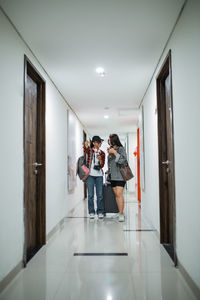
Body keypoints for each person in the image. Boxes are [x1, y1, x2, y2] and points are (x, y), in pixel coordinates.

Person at [84, 136, 105, 219]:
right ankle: (91, 212)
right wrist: (86, 145)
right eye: (98, 142)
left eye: (100, 142)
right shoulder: (90, 151)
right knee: (90, 195)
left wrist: (100, 160)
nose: (100, 144)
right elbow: (85, 150)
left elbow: (102, 165)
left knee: (100, 195)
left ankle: (100, 211)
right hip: (90, 176)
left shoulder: (102, 153)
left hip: (99, 175)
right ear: (94, 143)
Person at [107, 134, 127, 222]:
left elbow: (123, 160)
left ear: (113, 140)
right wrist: (108, 170)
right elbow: (111, 163)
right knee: (116, 195)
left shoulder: (121, 149)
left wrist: (115, 153)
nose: (108, 141)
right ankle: (120, 212)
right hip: (112, 176)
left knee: (119, 194)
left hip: (120, 176)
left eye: (109, 140)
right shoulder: (110, 150)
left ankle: (121, 214)